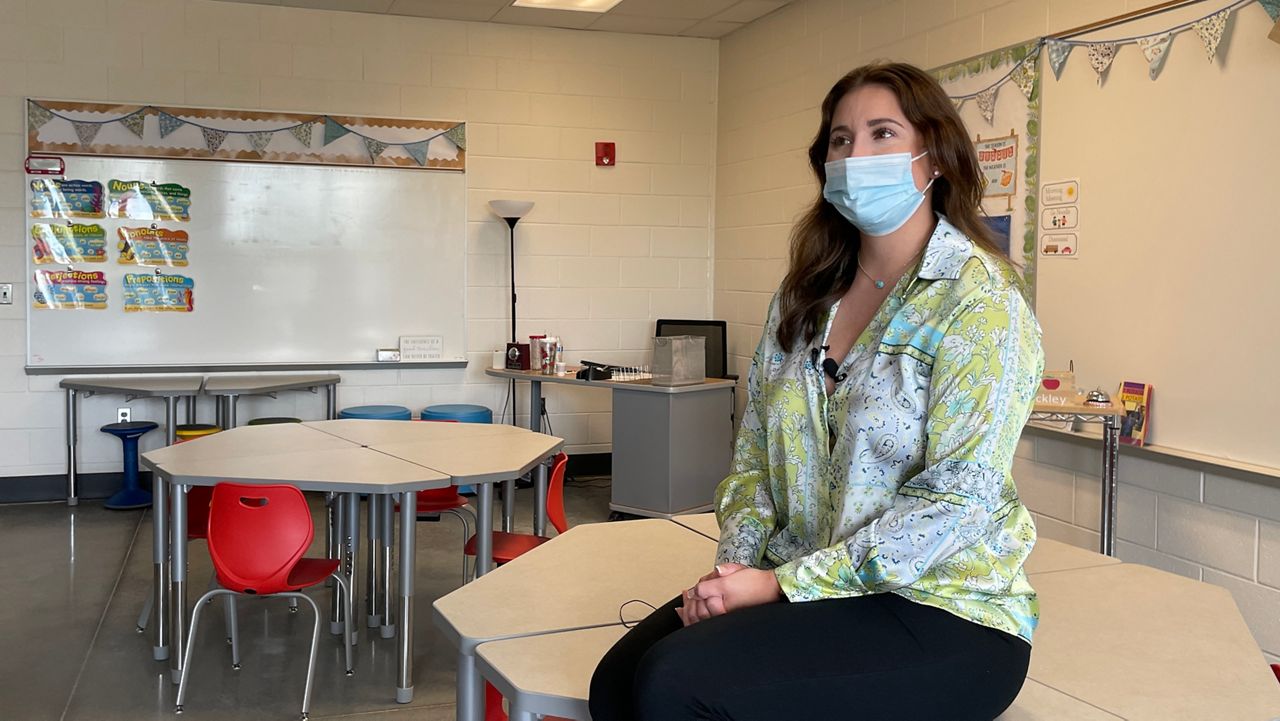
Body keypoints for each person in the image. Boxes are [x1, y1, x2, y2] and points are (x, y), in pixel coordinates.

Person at [589, 62, 1044, 721]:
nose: (857, 155)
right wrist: (732, 577)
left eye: (883, 133)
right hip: (802, 585)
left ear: (935, 156)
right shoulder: (802, 296)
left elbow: (954, 504)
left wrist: (777, 585)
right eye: (840, 139)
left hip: (942, 607)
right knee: (618, 681)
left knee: (674, 685)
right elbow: (751, 467)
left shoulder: (981, 305)